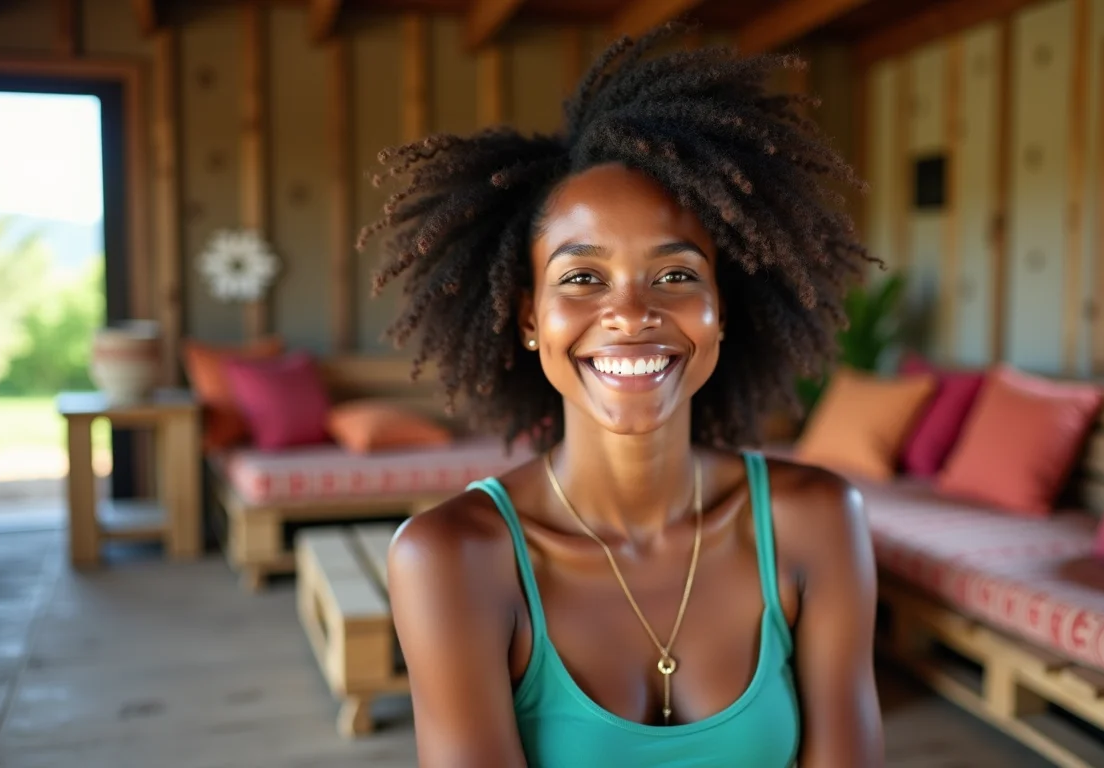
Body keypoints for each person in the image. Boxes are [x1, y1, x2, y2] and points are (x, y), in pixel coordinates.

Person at [357, 22, 884, 767]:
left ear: (721, 312)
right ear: (530, 320)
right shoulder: (454, 558)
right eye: (582, 277)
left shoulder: (817, 522)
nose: (632, 314)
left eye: (675, 275)